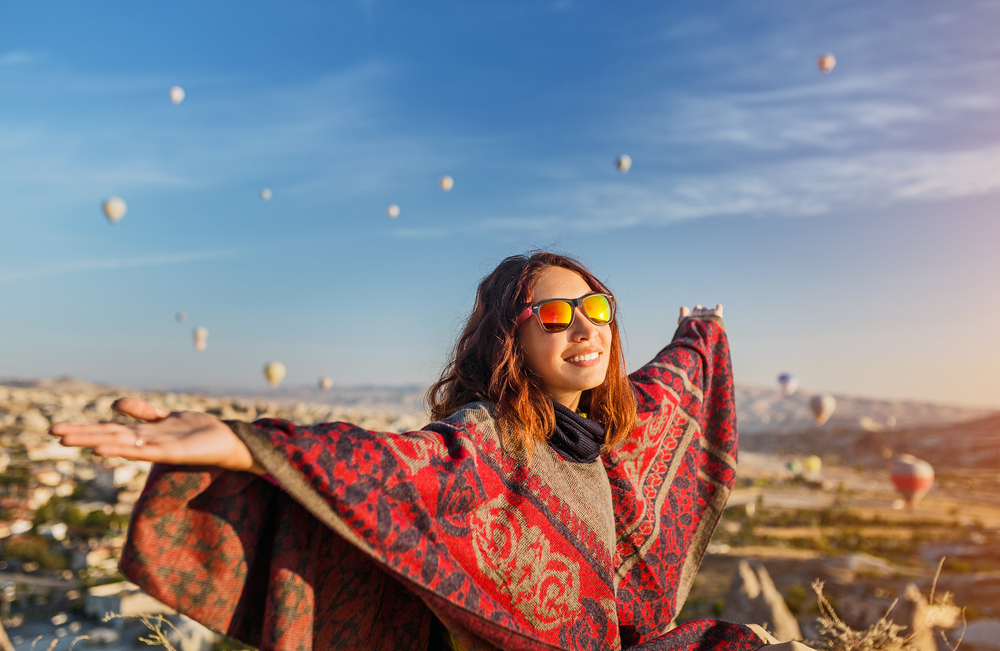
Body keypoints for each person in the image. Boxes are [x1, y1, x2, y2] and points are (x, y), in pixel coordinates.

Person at [51, 251, 775, 651]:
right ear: (510, 338)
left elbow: (675, 388)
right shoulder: (491, 437)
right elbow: (388, 467)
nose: (585, 327)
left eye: (598, 309)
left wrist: (701, 333)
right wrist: (245, 443)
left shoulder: (609, 436)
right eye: (555, 314)